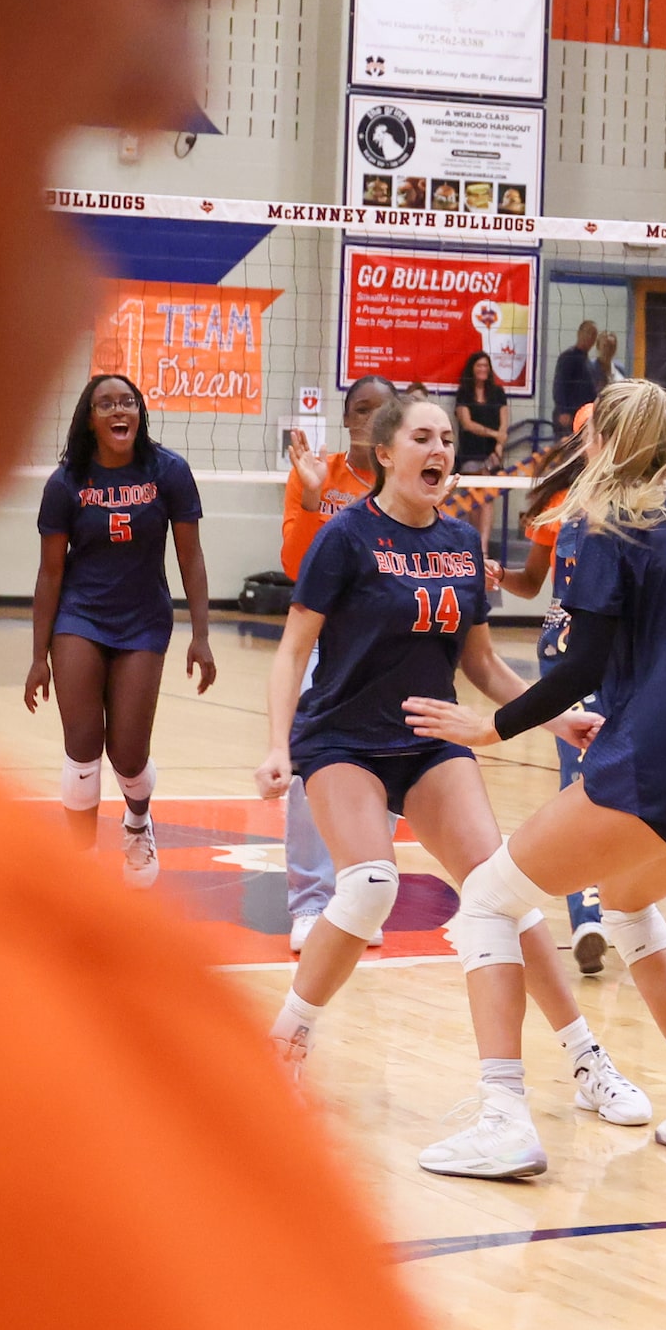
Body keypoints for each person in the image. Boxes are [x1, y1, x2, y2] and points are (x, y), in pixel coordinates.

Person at [0, 0, 517, 1330]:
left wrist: (519, 702)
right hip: (303, 711)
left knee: (502, 884)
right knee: (362, 862)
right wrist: (264, 716)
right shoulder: (39, 1095)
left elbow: (474, 648)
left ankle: (547, 1074)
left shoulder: (59, 1001)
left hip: (352, 708)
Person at [250, 391, 654, 1174]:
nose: (442, 452)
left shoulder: (463, 542)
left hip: (431, 740)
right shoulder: (345, 538)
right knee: (367, 886)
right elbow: (292, 650)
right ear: (386, 452)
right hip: (342, 741)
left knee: (503, 890)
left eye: (447, 441)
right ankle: (286, 1041)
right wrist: (276, 745)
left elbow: (482, 665)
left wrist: (554, 718)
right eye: (424, 439)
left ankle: (584, 1061)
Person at [405, 379, 666, 1170]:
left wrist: (492, 725)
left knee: (486, 902)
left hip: (660, 765)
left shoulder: (601, 521)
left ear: (599, 441)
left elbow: (586, 662)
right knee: (631, 902)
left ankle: (503, 1116)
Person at [26, 369, 213, 887]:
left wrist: (201, 634)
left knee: (128, 754)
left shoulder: (168, 472)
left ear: (140, 413)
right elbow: (49, 572)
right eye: (106, 404)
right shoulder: (67, 483)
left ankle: (136, 822)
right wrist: (38, 655)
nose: (118, 411)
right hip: (78, 618)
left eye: (127, 402)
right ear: (90, 418)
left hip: (143, 621)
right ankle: (81, 861)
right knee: (82, 745)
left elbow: (191, 558)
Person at [279, 377, 399, 947]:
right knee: (309, 769)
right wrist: (309, 498)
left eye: (382, 410)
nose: (371, 418)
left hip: (385, 643)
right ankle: (309, 901)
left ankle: (362, 894)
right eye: (361, 409)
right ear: (348, 418)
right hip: (323, 638)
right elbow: (295, 564)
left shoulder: (403, 481)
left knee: (388, 767)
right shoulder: (316, 474)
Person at [501, 437, 610, 973]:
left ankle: (629, 905)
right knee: (579, 773)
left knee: (631, 778)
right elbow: (530, 582)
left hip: (626, 658)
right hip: (567, 656)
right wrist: (496, 575)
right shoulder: (560, 506)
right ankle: (586, 912)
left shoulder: (647, 509)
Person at [452, 349, 506, 474]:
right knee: (471, 492)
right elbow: (467, 424)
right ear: (472, 368)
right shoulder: (464, 393)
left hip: (492, 454)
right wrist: (495, 434)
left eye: (486, 365)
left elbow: (504, 423)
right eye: (479, 365)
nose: (483, 369)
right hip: (470, 453)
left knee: (492, 492)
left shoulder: (498, 392)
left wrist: (500, 444)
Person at [552, 320, 601, 425]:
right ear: (579, 333)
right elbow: (559, 384)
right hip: (569, 416)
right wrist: (563, 411)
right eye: (588, 333)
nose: (591, 337)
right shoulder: (568, 357)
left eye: (594, 335)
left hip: (583, 416)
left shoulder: (588, 361)